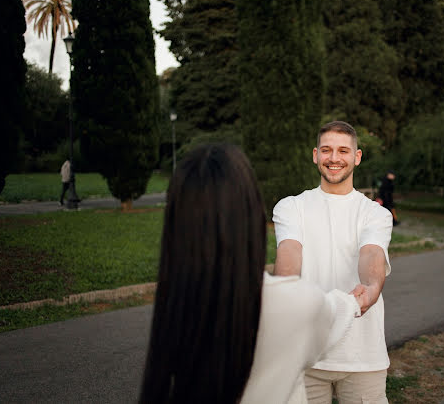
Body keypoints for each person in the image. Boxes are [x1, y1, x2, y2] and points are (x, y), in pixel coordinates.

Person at [140, 143, 361, 404]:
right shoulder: (298, 304)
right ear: (252, 213)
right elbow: (332, 316)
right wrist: (355, 301)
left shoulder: (175, 306)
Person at [273, 121, 393, 404]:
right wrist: (283, 293)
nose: (334, 158)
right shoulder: (291, 206)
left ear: (357, 156)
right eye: (326, 150)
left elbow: (371, 253)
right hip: (305, 356)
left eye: (343, 151)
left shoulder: (375, 214)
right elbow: (290, 252)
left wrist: (371, 288)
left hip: (363, 356)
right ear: (315, 155)